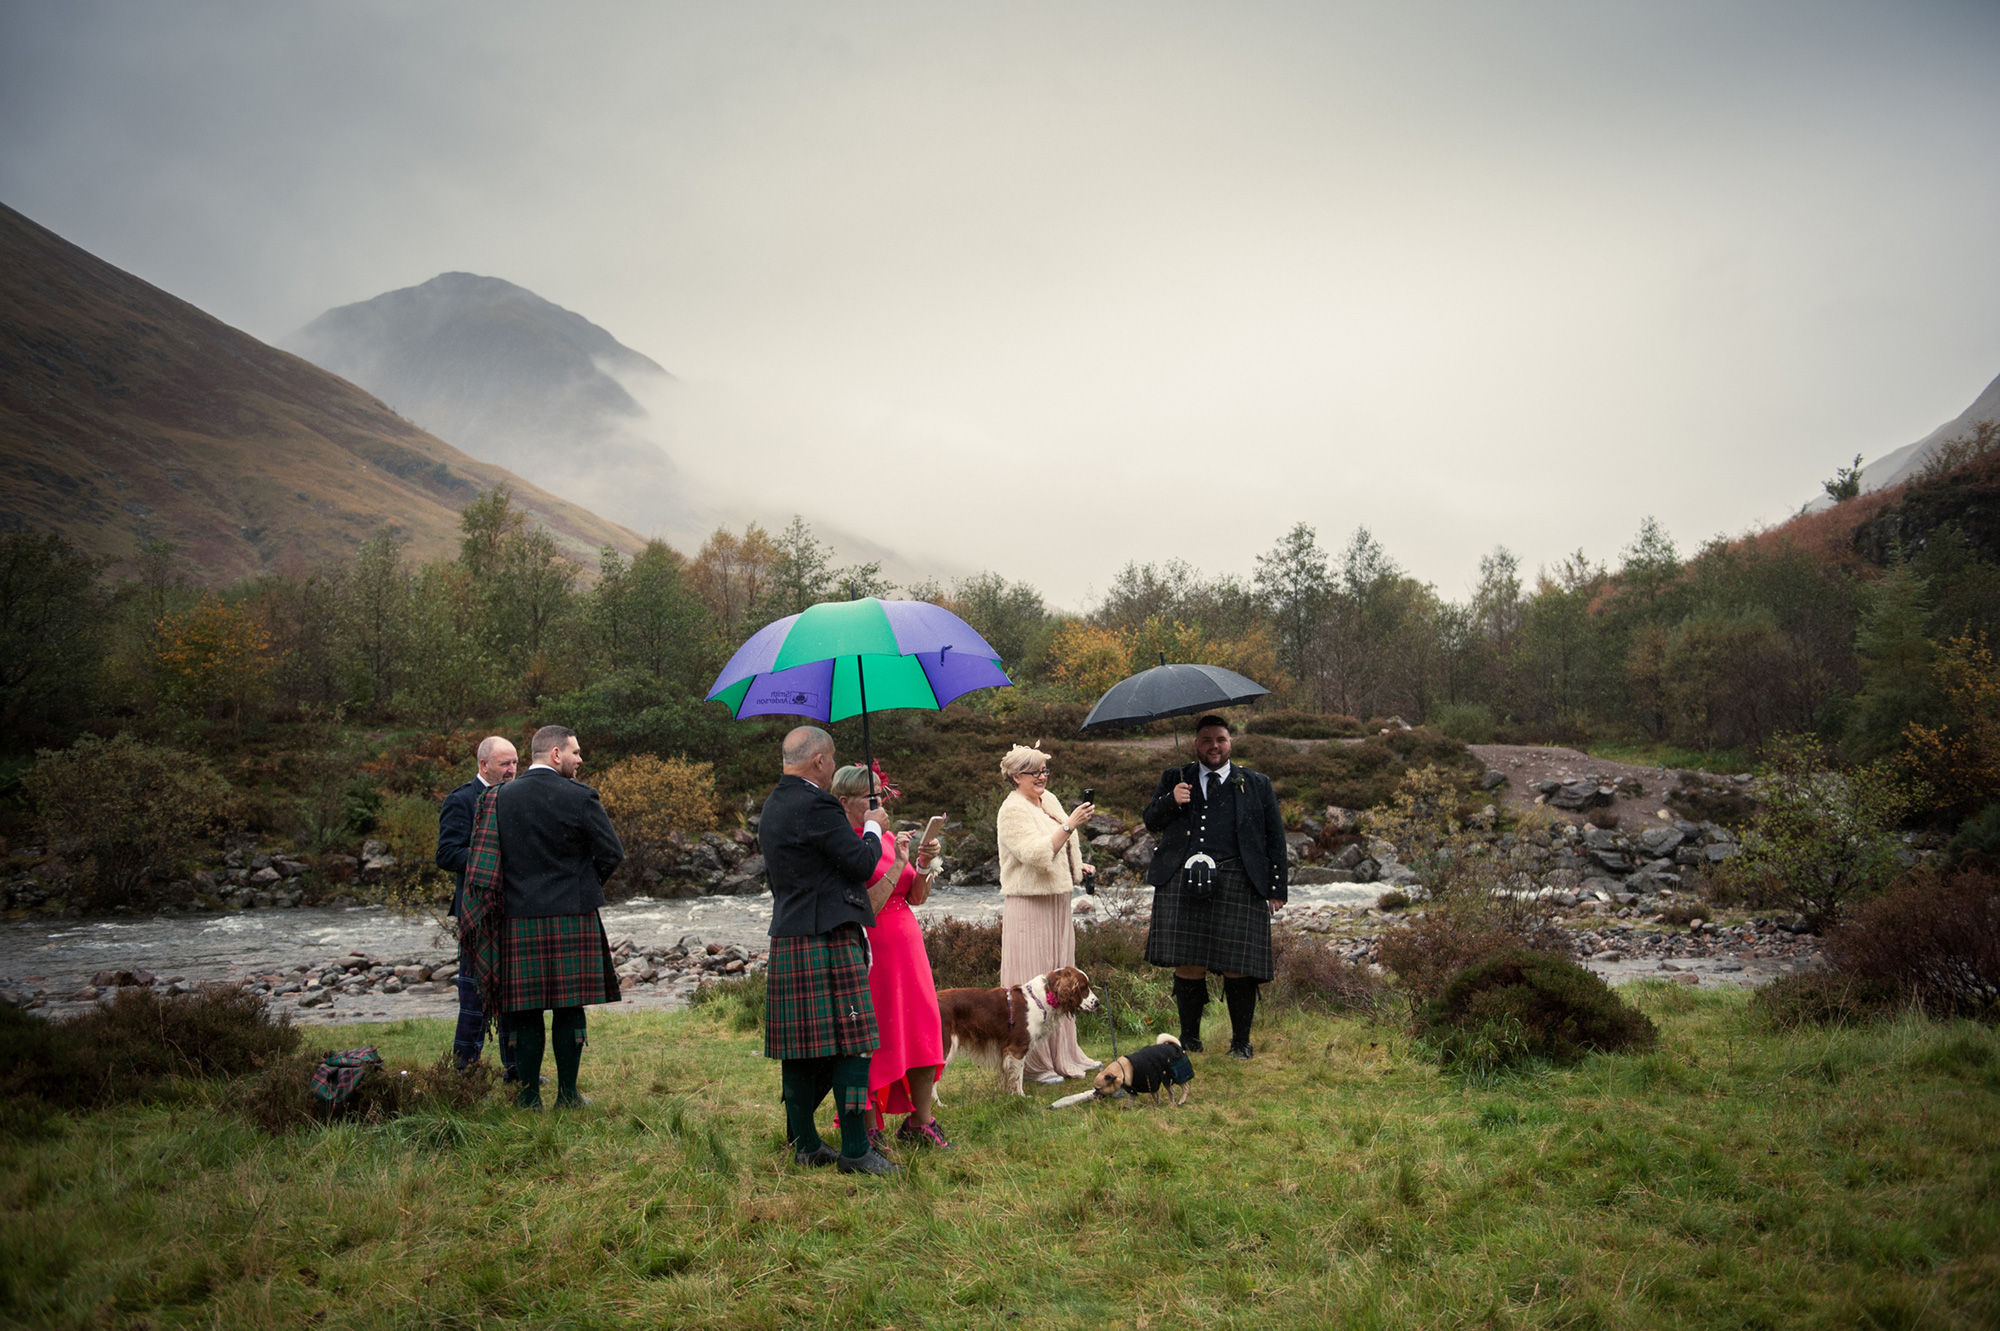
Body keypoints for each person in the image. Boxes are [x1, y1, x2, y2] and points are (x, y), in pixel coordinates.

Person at [761, 726, 911, 1176]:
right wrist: (873, 826)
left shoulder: (773, 805)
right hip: (827, 936)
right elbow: (863, 864)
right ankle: (854, 1150)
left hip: (790, 933)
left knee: (799, 1050)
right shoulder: (817, 804)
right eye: (831, 760)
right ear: (820, 762)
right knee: (854, 1046)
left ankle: (805, 1145)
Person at [464, 724, 625, 1110]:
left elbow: (483, 868)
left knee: (524, 1011)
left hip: (517, 918)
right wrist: (582, 885)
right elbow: (612, 852)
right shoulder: (581, 796)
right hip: (572, 914)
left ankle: (529, 1097)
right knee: (570, 1007)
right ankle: (568, 1097)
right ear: (555, 755)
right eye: (575, 752)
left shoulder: (496, 798)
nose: (580, 759)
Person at [1142, 714, 1287, 1058]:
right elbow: (1150, 821)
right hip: (1183, 878)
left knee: (1240, 965)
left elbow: (1274, 837)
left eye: (1220, 739)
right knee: (1188, 961)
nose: (1214, 746)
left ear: (1230, 742)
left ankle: (1241, 1042)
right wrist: (1171, 800)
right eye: (1206, 740)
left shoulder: (1255, 782)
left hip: (1239, 878)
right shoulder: (1175, 778)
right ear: (1196, 743)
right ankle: (1190, 1039)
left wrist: (1276, 887)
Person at [829, 764, 949, 1150]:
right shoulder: (844, 843)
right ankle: (866, 1126)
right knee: (874, 1036)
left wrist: (925, 863)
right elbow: (866, 906)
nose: (880, 804)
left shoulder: (887, 837)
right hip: (872, 948)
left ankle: (921, 1121)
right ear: (845, 802)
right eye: (871, 798)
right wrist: (898, 862)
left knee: (923, 1027)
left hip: (908, 945)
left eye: (882, 795)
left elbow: (915, 897)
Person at [995, 743, 1099, 1085]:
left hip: (1056, 900)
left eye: (1044, 770)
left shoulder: (1049, 799)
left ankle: (1064, 1053)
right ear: (1015, 776)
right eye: (1035, 772)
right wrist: (1070, 824)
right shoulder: (1012, 811)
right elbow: (1035, 854)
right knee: (1031, 983)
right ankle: (1033, 1062)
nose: (1042, 777)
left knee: (1061, 981)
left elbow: (1062, 847)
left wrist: (1077, 866)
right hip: (1029, 904)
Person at [437, 736, 518, 1073]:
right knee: (473, 997)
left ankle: (516, 1068)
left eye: (515, 762)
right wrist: (488, 858)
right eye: (505, 764)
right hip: (474, 914)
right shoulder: (462, 799)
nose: (512, 770)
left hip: (511, 908)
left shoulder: (517, 797)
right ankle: (464, 1071)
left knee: (515, 996)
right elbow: (446, 854)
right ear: (484, 765)